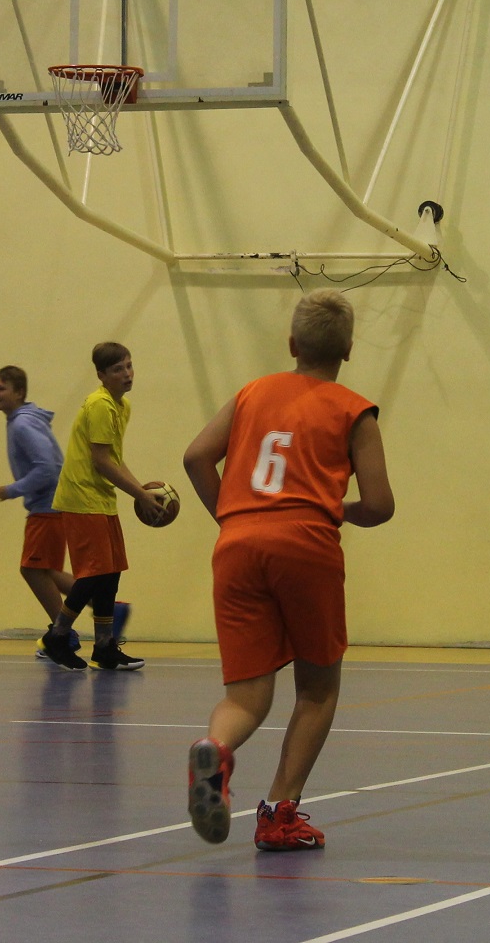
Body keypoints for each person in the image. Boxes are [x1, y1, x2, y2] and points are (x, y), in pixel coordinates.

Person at [181, 290, 394, 851]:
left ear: (292, 343)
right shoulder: (354, 410)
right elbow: (380, 504)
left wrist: (232, 516)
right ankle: (279, 814)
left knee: (246, 695)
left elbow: (196, 456)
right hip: (305, 542)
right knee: (317, 689)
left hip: (236, 542)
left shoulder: (252, 392)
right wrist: (334, 509)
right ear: (348, 349)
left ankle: (216, 751)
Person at [42, 342, 163, 672]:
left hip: (100, 498)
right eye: (117, 369)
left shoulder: (121, 406)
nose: (127, 373)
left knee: (110, 572)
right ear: (101, 375)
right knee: (93, 574)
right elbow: (101, 461)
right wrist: (139, 494)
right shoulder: (99, 405)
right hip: (82, 497)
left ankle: (105, 646)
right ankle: (57, 635)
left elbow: (115, 459)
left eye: (129, 366)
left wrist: (140, 491)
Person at [0, 364, 80, 664]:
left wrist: (13, 489)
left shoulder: (22, 424)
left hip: (47, 506)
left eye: (1, 388)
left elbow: (48, 468)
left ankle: (63, 633)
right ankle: (108, 608)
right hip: (52, 505)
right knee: (47, 572)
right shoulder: (23, 420)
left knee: (31, 569)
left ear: (19, 393)